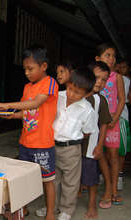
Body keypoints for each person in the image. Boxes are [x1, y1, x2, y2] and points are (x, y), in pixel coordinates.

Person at [0, 45, 59, 220]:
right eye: (25, 69)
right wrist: (11, 116)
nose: (27, 73)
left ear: (43, 66)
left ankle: (50, 213)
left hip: (43, 143)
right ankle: (23, 209)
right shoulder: (27, 87)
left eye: (31, 69)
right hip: (25, 142)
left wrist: (7, 105)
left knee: (47, 180)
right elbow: (26, 112)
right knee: (23, 178)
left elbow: (35, 104)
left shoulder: (50, 83)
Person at [54, 67, 96, 220]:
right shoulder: (58, 96)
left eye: (77, 92)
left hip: (71, 148)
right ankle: (51, 206)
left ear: (87, 93)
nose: (71, 94)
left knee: (70, 182)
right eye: (70, 88)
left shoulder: (87, 110)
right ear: (68, 83)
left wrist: (72, 138)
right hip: (51, 145)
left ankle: (66, 210)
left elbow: (87, 131)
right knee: (52, 179)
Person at [80, 61, 112, 218]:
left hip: (91, 146)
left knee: (91, 178)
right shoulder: (76, 95)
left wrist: (100, 146)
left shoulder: (101, 100)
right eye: (97, 77)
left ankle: (92, 204)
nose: (99, 82)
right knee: (72, 174)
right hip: (73, 145)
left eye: (104, 80)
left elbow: (104, 125)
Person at [95, 43, 125, 205]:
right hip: (97, 122)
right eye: (108, 55)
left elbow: (121, 100)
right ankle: (107, 188)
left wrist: (115, 119)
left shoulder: (117, 77)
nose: (112, 59)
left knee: (113, 156)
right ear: (98, 59)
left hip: (112, 121)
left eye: (113, 56)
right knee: (99, 154)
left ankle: (113, 190)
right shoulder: (95, 75)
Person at [116, 59, 131, 190]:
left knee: (121, 148)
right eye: (119, 67)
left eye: (124, 67)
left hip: (121, 117)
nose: (121, 69)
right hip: (108, 116)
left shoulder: (127, 81)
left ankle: (119, 176)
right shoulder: (108, 78)